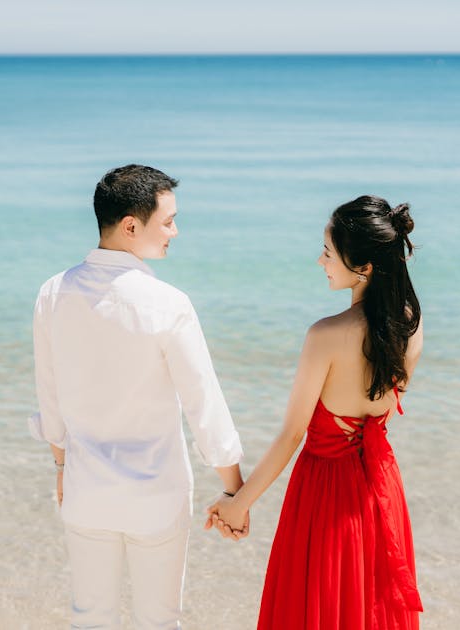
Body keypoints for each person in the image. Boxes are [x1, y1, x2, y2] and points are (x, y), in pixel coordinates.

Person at [29, 164, 245, 630]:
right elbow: (203, 402)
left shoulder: (52, 293)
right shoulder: (168, 303)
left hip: (86, 488)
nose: (175, 232)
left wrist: (62, 468)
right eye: (168, 221)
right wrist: (234, 490)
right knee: (160, 621)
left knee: (90, 619)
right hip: (156, 493)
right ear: (131, 225)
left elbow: (50, 396)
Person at [207, 195, 424, 629]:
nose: (319, 261)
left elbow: (292, 435)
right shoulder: (411, 326)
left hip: (325, 493)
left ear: (363, 267)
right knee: (368, 607)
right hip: (379, 488)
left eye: (327, 252)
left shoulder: (325, 335)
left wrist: (238, 503)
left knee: (317, 607)